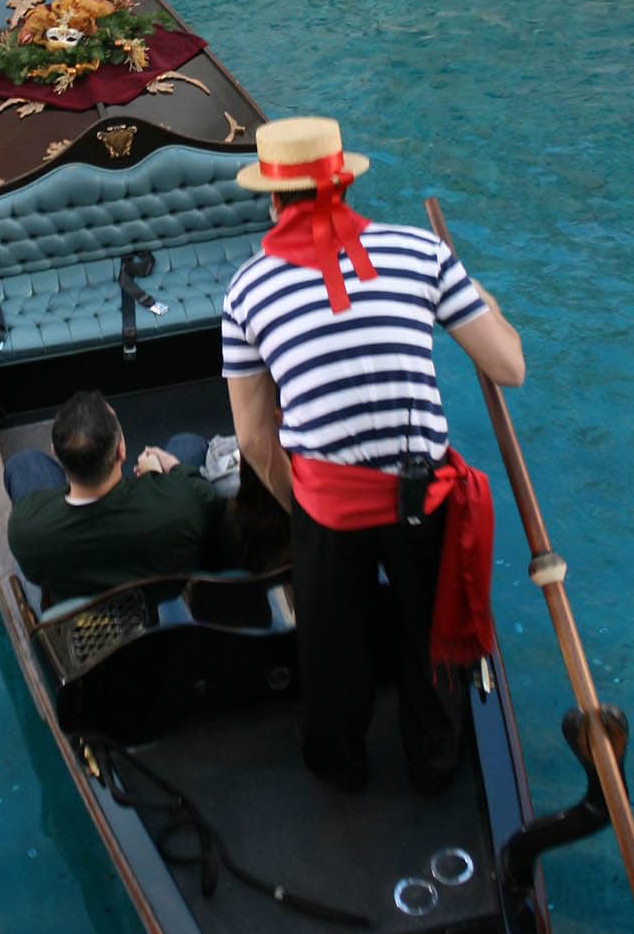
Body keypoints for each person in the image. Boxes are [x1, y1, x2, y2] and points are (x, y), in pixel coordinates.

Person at [222, 116, 524, 797]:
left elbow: (252, 438)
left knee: (332, 655)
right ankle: (436, 766)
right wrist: (486, 301)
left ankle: (340, 770)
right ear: (347, 182)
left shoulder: (247, 291)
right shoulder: (423, 254)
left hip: (326, 509)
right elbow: (510, 367)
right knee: (430, 645)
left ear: (271, 199)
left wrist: (301, 505)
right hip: (426, 502)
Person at [5, 390, 227, 610]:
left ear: (57, 453)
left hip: (89, 623)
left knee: (24, 464)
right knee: (187, 444)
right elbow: (204, 493)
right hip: (163, 601)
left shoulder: (25, 529)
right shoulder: (184, 502)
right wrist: (163, 474)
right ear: (122, 450)